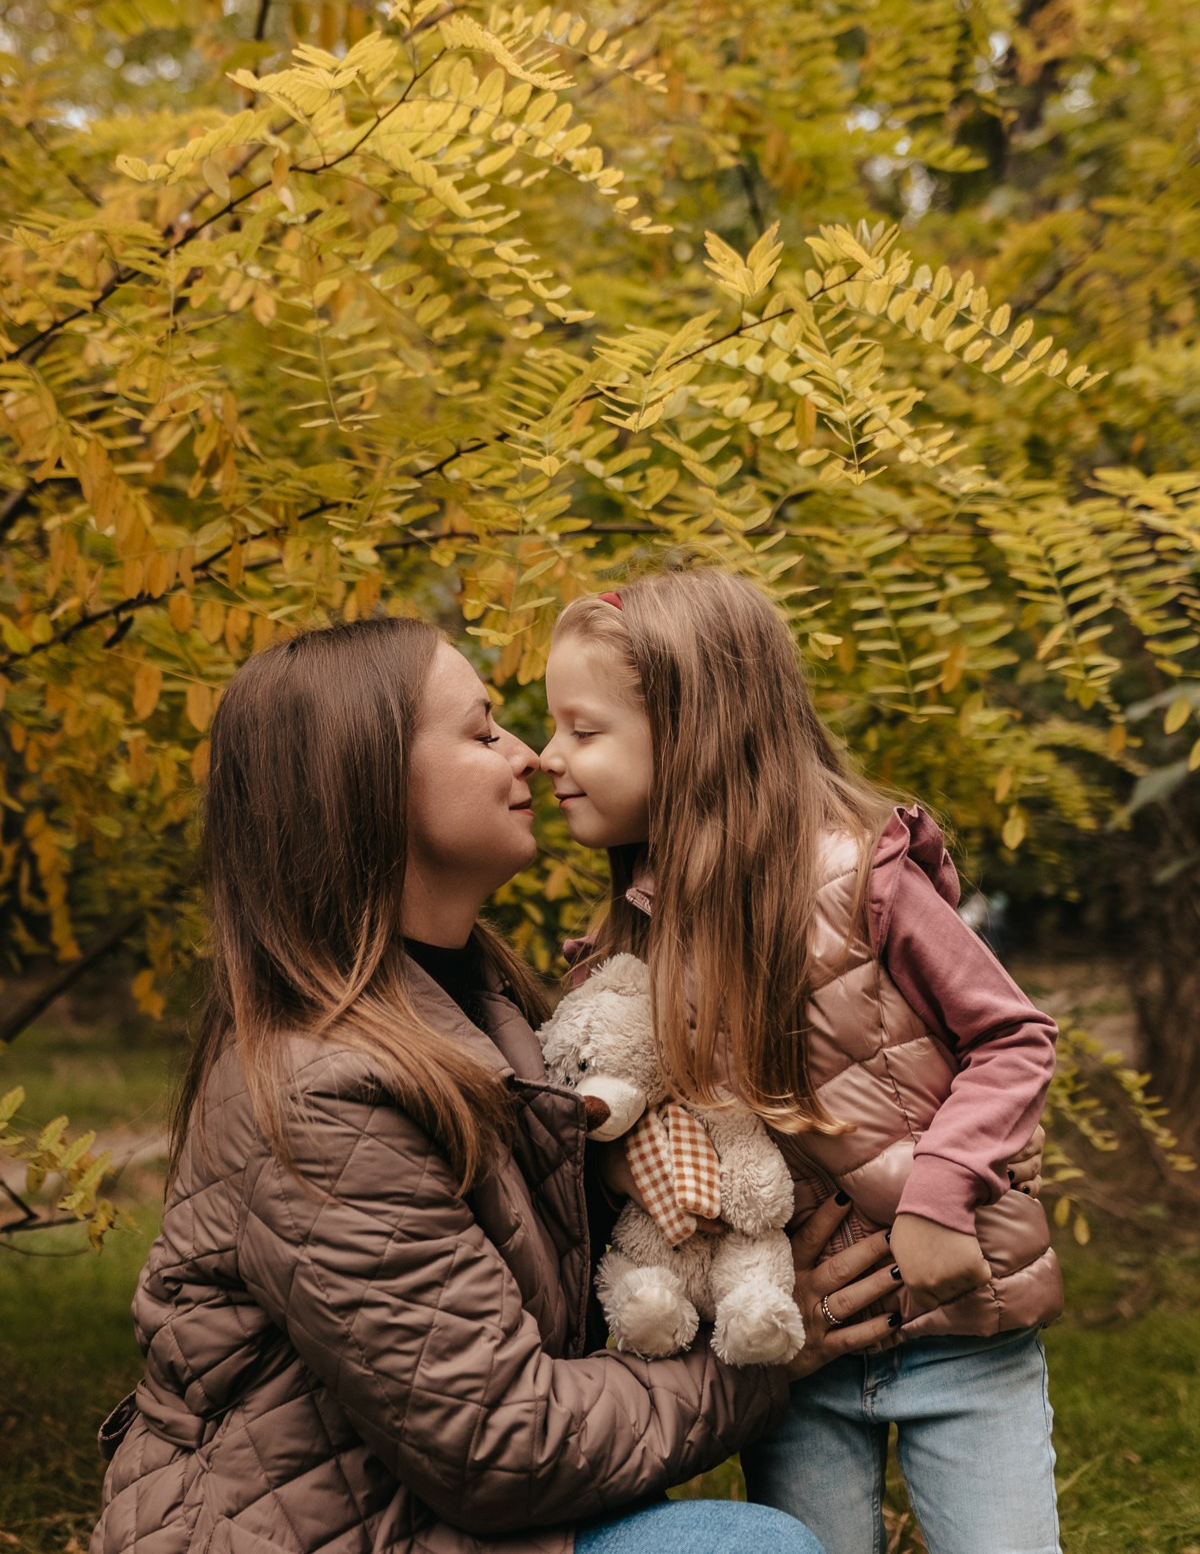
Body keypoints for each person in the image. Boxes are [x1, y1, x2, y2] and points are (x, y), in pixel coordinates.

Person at [91, 615, 910, 1554]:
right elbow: (501, 1439)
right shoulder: (322, 1093)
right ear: (366, 787)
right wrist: (771, 1355)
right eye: (483, 732)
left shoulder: (489, 1001)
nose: (529, 757)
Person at [540, 570, 1062, 1554]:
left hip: (961, 1329)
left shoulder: (862, 880)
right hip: (792, 1353)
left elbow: (1013, 1036)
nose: (547, 757)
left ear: (693, 730)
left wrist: (943, 1191)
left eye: (583, 729)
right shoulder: (629, 942)